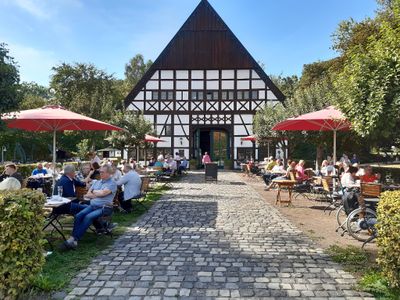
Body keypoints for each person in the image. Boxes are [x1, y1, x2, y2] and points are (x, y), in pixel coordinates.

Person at [63, 165, 117, 249]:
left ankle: (74, 239)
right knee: (78, 216)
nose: (100, 173)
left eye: (103, 172)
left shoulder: (112, 183)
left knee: (88, 217)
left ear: (109, 173)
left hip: (105, 207)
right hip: (92, 206)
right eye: (100, 172)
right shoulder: (97, 182)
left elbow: (103, 193)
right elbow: (87, 195)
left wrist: (94, 192)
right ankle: (74, 239)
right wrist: (98, 194)